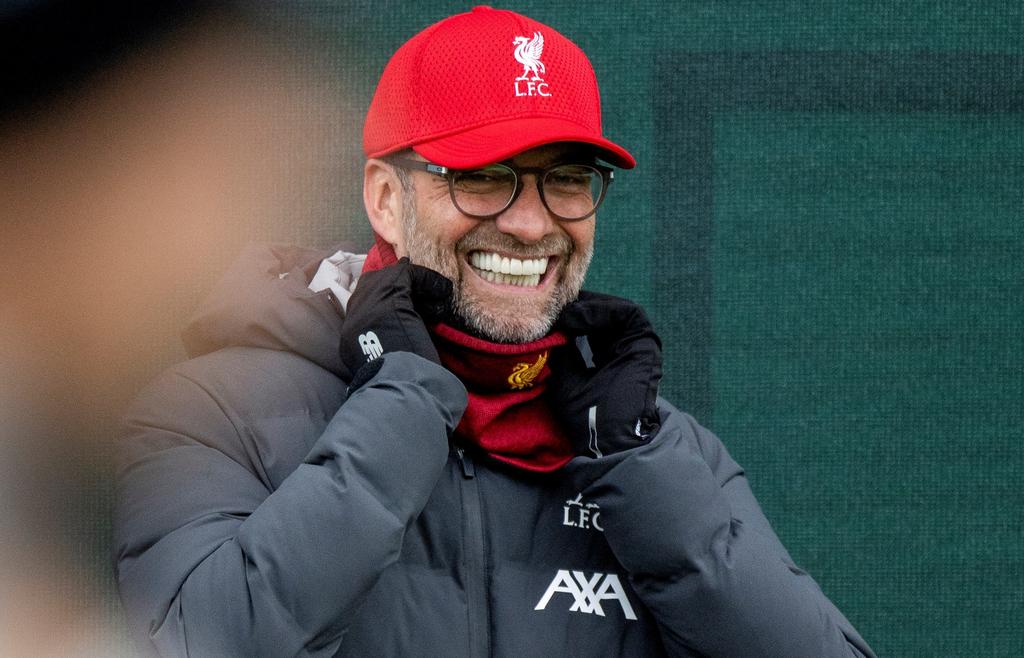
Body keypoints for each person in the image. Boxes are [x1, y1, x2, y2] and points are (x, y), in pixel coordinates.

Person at [114, 7, 876, 657]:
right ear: (386, 199)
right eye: (482, 175)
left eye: (567, 179)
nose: (531, 223)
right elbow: (195, 643)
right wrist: (405, 404)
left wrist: (641, 468)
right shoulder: (213, 410)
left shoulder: (648, 449)